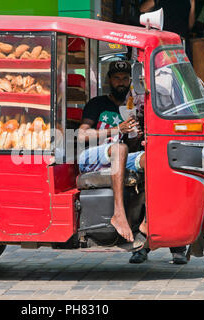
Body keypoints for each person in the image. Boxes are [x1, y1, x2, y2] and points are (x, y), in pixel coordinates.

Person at [78, 60, 146, 244]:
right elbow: (81, 135)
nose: (121, 82)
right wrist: (118, 129)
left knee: (151, 158)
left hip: (118, 156)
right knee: (119, 148)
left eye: (125, 78)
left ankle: (147, 221)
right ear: (109, 80)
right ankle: (118, 214)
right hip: (90, 157)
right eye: (117, 78)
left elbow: (128, 149)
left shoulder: (132, 107)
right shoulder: (97, 103)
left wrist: (135, 137)